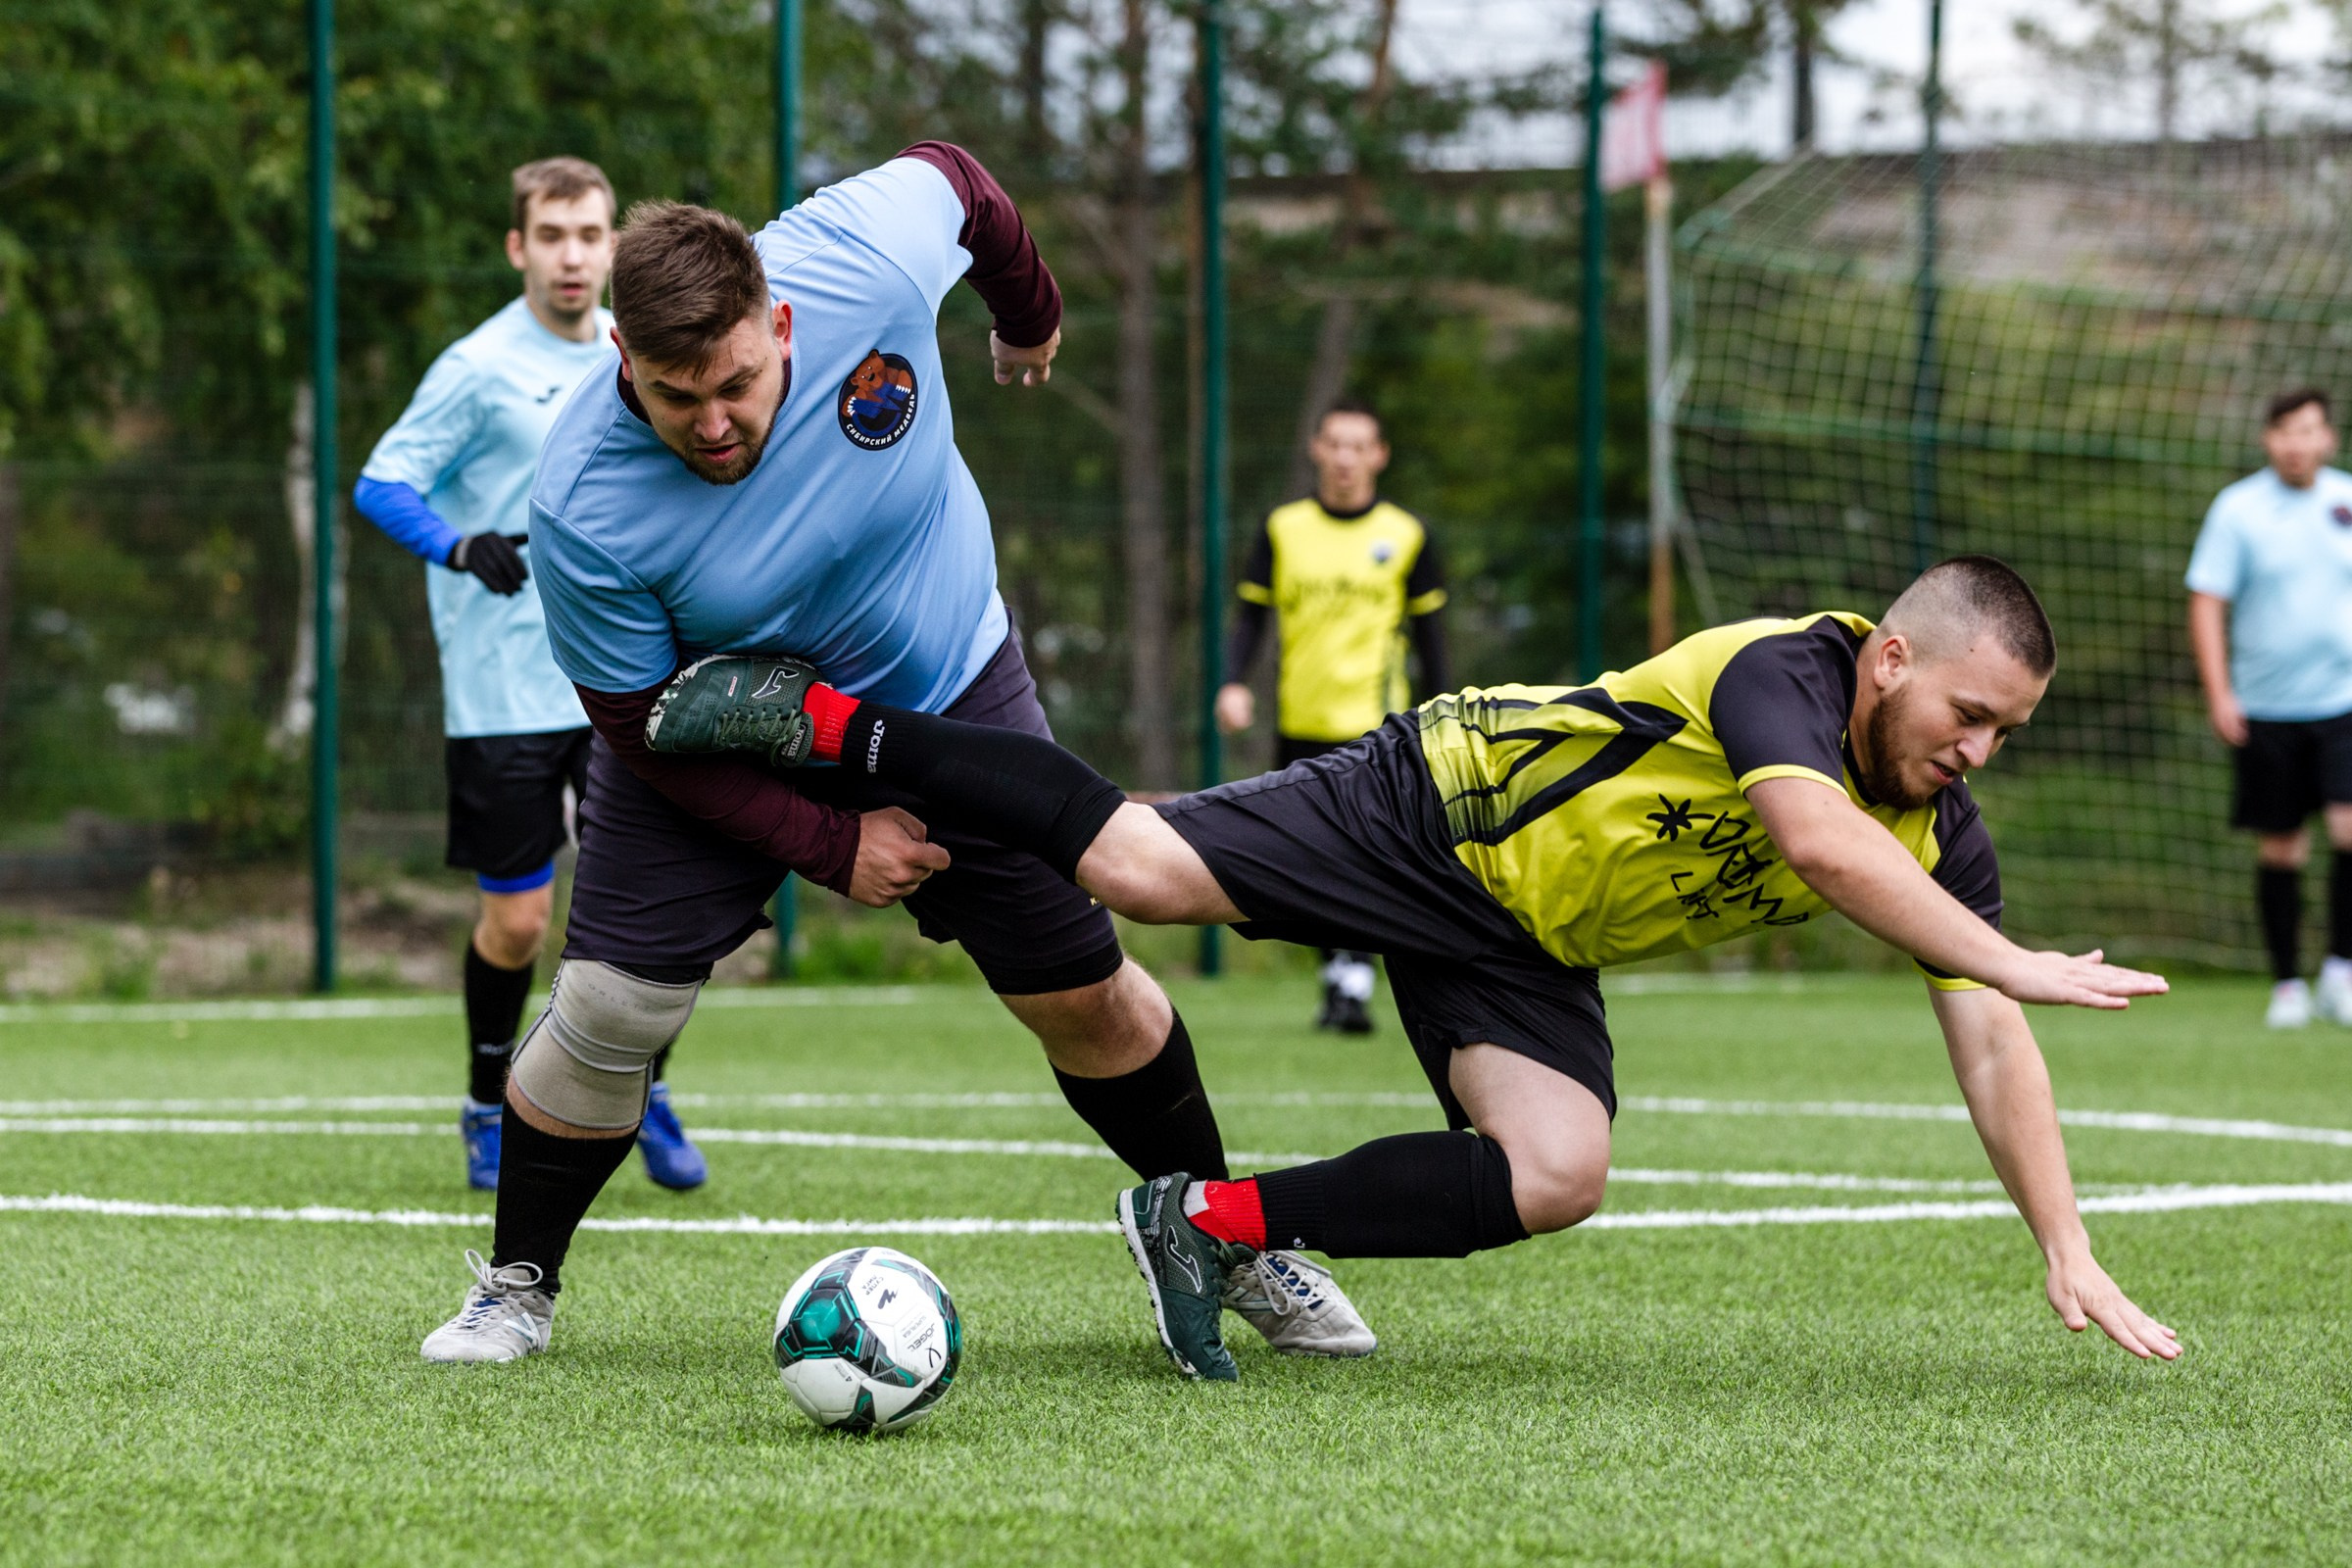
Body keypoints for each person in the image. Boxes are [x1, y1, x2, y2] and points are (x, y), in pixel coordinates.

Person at [651, 555, 2182, 1381]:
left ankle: (1207, 1223)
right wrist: (2014, 957)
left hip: (1527, 938)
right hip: (1437, 803)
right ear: (1893, 662)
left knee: (1559, 1169)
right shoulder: (1783, 668)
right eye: (1967, 716)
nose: (1974, 755)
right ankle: (822, 722)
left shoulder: (1939, 828)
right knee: (1137, 870)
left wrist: (2065, 1241)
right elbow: (1818, 845)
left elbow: (1991, 1047)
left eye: (2003, 739)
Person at [417, 143, 1374, 1365]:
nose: (713, 423)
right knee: (608, 1008)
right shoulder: (580, 502)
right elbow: (640, 726)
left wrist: (1029, 317)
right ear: (622, 363)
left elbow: (962, 177)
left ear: (781, 318)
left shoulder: (860, 257)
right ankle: (515, 1286)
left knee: (1090, 996)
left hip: (951, 693)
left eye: (738, 383)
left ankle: (1227, 1242)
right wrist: (827, 842)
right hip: (713, 739)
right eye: (673, 396)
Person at [354, 157, 705, 1194]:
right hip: (504, 691)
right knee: (516, 920)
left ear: (613, 247)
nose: (572, 255)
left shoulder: (636, 357)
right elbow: (383, 480)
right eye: (551, 235)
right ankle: (484, 1097)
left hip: (627, 683)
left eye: (590, 235)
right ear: (519, 247)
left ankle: (637, 1088)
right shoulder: (477, 365)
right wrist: (460, 547)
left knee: (651, 914)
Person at [1215, 399, 1449, 1034]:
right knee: (1306, 859)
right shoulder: (1284, 528)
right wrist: (1233, 683)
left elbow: (1431, 639)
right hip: (1300, 722)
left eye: (1358, 446)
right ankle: (1338, 977)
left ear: (1378, 456)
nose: (1345, 458)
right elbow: (1251, 616)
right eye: (1335, 445)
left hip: (1378, 727)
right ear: (1316, 450)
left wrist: (1440, 712)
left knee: (1373, 857)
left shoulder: (1406, 535)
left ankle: (1354, 977)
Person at [2185, 387, 2352, 1029]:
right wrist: (2220, 692)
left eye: (2308, 430)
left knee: (2347, 830)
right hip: (2267, 709)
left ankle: (2340, 969)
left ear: (2327, 438)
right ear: (2267, 439)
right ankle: (2287, 984)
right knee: (2282, 848)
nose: (2296, 443)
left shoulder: (2345, 498)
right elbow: (2206, 600)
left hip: (2343, 702)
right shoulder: (2238, 510)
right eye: (2284, 430)